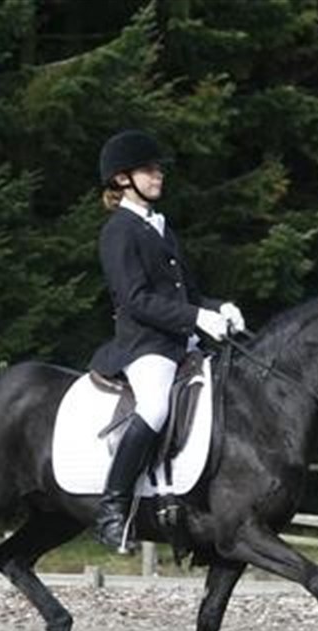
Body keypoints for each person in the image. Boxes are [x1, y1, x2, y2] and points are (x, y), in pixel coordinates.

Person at [88, 129, 246, 549]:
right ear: (122, 179)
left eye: (158, 168)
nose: (158, 174)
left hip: (182, 343)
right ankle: (112, 509)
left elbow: (188, 296)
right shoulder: (119, 231)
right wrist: (197, 317)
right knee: (155, 407)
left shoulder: (161, 228)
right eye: (148, 169)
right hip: (145, 346)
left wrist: (219, 308)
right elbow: (136, 300)